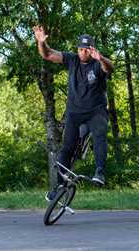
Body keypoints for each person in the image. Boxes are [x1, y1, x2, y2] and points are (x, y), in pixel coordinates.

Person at [33, 25, 114, 199]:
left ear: (91, 50)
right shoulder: (72, 59)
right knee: (66, 148)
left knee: (100, 134)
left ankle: (99, 172)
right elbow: (47, 54)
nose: (83, 52)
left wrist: (101, 59)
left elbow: (109, 68)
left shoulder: (97, 64)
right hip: (74, 112)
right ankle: (59, 187)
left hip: (96, 111)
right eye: (80, 49)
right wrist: (41, 42)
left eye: (86, 50)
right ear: (77, 49)